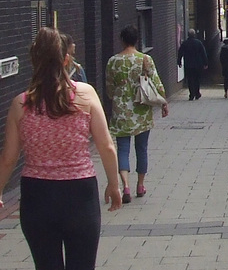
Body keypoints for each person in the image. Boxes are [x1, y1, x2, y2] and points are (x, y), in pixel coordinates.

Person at [0, 27, 122, 270]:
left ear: (34, 61)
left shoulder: (21, 104)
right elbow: (106, 146)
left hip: (37, 196)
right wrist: (114, 184)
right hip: (80, 194)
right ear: (65, 60)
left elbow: (8, 158)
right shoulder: (85, 95)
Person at [106, 24, 168, 204]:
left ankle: (125, 185)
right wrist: (163, 102)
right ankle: (140, 185)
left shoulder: (113, 61)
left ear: (122, 40)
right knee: (142, 148)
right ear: (136, 40)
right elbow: (156, 82)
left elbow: (109, 87)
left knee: (123, 149)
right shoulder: (145, 59)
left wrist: (116, 96)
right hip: (141, 109)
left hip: (120, 110)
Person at [176, 28, 208, 100]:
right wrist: (205, 63)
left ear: (188, 35)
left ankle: (191, 94)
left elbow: (180, 53)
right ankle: (197, 93)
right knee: (197, 79)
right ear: (194, 35)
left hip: (188, 65)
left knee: (190, 80)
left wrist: (179, 62)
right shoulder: (198, 43)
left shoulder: (185, 43)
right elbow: (203, 53)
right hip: (198, 65)